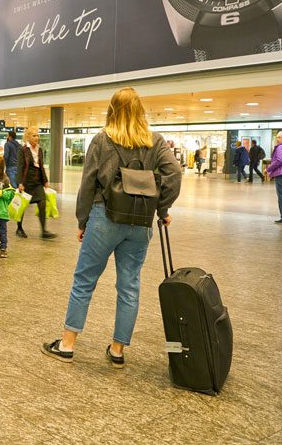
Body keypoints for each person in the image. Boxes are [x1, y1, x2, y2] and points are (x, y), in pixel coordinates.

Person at [41, 87, 182, 368]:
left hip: (104, 216)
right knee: (129, 285)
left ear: (112, 110)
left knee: (84, 281)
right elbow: (174, 174)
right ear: (140, 111)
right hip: (139, 223)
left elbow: (88, 184)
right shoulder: (155, 141)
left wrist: (83, 221)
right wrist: (160, 208)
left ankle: (67, 344)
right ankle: (117, 350)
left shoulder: (102, 140)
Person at [16, 127, 56, 239]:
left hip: (37, 181)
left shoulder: (39, 149)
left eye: (37, 135)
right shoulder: (23, 150)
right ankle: (19, 228)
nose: (36, 137)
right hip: (26, 180)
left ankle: (44, 231)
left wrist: (45, 181)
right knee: (22, 206)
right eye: (34, 135)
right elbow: (20, 167)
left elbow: (41, 166)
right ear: (28, 137)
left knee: (42, 203)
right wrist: (20, 182)